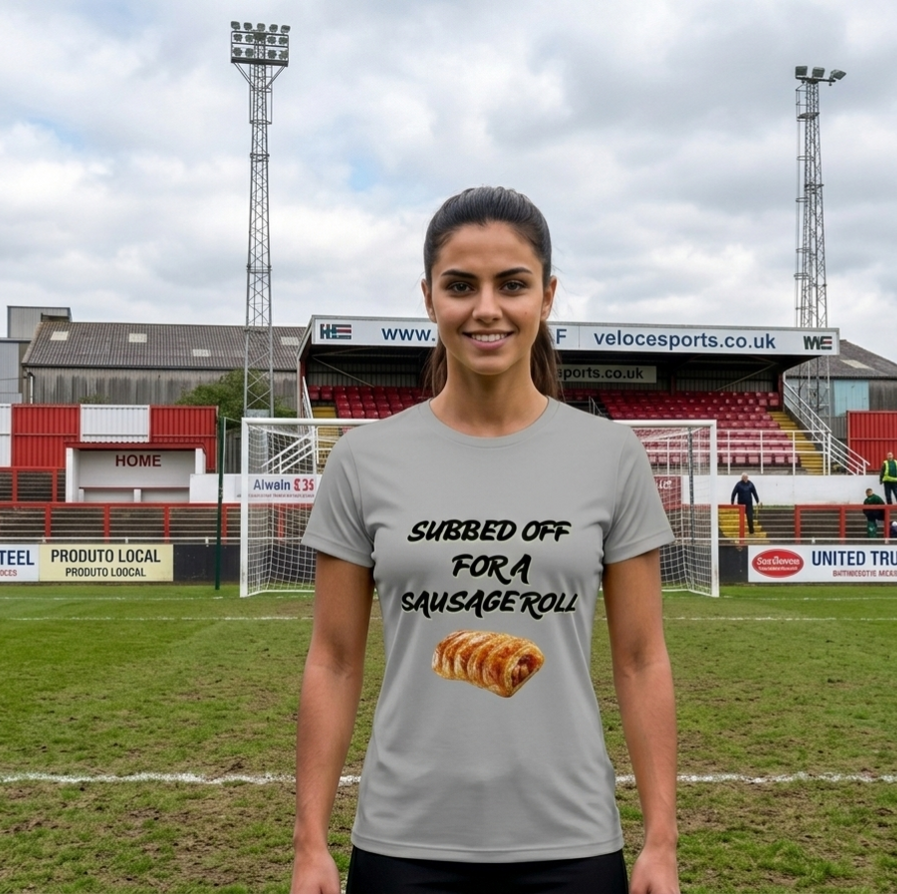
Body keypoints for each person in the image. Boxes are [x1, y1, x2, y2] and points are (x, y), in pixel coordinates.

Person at [290, 187, 680, 894]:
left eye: (513, 284)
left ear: (548, 295)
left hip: (571, 841)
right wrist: (308, 843)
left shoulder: (611, 455)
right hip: (403, 842)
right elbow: (335, 660)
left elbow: (642, 658)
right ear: (429, 296)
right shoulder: (363, 458)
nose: (487, 308)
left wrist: (662, 840)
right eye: (461, 286)